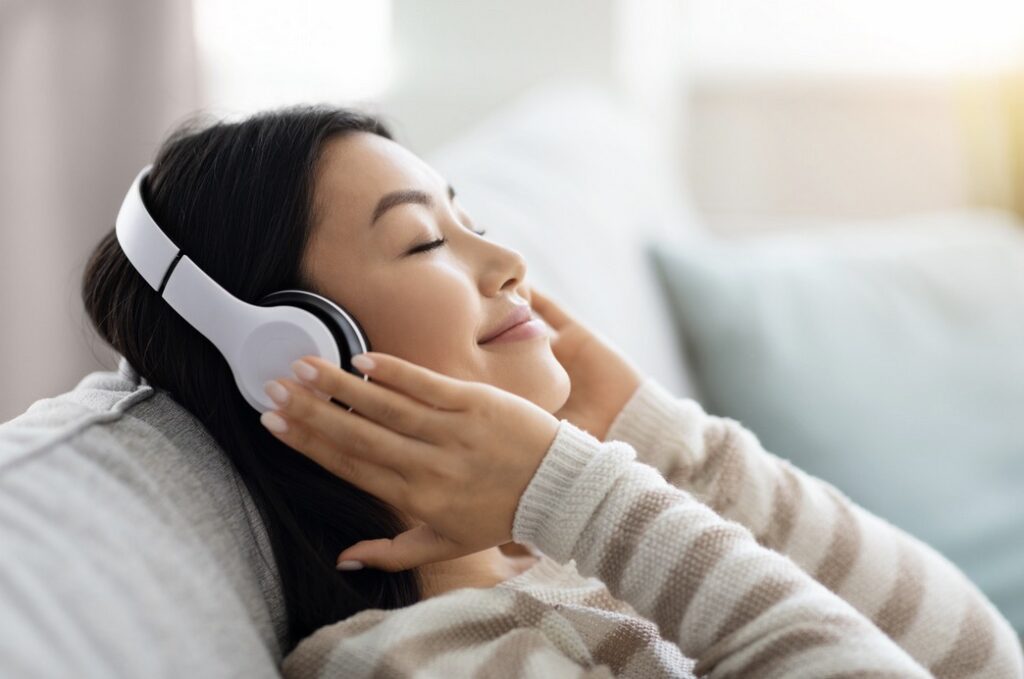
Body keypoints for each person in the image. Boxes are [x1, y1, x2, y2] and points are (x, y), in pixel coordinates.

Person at [82, 105, 1022, 677]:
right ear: (295, 356)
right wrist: (595, 498)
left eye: (472, 219)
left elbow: (978, 659)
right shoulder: (421, 662)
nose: (507, 260)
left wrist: (672, 446)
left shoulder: (571, 563)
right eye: (424, 241)